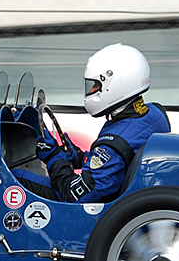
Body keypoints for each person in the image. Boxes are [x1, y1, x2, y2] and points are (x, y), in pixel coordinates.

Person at [14, 44, 170, 203]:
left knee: (19, 177)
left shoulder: (114, 144)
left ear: (118, 84)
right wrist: (80, 158)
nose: (90, 91)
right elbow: (114, 164)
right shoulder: (154, 113)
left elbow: (73, 195)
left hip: (97, 211)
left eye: (95, 85)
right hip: (126, 194)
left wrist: (55, 158)